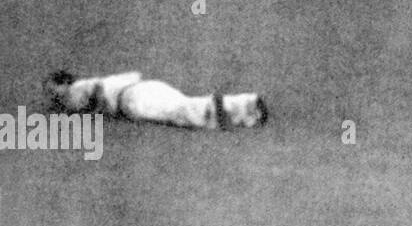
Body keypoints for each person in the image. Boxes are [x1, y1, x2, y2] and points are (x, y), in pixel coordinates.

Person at [45, 70, 267, 130]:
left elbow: (98, 94)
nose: (53, 94)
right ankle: (245, 109)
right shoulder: (91, 82)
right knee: (183, 106)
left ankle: (239, 108)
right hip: (144, 88)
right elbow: (136, 75)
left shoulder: (73, 92)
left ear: (64, 82)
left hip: (131, 101)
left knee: (182, 113)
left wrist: (96, 110)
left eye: (53, 88)